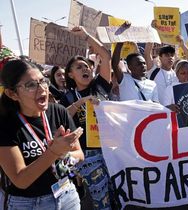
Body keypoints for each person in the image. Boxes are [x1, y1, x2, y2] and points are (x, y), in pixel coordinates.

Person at [0, 59, 84, 210]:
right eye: (31, 85)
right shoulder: (5, 124)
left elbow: (79, 154)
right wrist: (53, 152)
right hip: (29, 203)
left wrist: (64, 156)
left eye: (43, 81)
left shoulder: (58, 111)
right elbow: (21, 179)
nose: (42, 89)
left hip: (67, 195)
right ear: (12, 94)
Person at [59, 26, 115, 209]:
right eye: (79, 67)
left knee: (116, 191)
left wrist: (85, 36)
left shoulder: (100, 86)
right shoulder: (67, 97)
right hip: (88, 153)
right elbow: (62, 117)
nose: (85, 68)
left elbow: (106, 56)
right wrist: (81, 102)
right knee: (102, 198)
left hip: (111, 148)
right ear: (70, 74)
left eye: (86, 66)